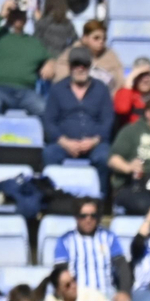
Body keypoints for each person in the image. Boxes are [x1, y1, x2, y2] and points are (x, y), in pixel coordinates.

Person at [43, 48, 115, 194]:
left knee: (104, 157)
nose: (80, 68)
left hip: (95, 143)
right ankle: (54, 197)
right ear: (70, 67)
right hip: (64, 144)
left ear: (89, 66)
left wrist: (94, 141)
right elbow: (49, 121)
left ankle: (99, 199)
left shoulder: (101, 89)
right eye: (76, 64)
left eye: (84, 64)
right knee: (49, 154)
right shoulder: (58, 89)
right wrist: (65, 142)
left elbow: (108, 120)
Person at [0, 0, 55, 117]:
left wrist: (51, 62)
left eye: (21, 14)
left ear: (26, 17)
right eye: (14, 13)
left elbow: (48, 56)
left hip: (25, 92)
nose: (18, 17)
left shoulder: (33, 42)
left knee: (43, 108)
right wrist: (1, 15)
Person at [54, 200, 132, 301]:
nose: (88, 219)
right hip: (78, 296)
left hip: (106, 294)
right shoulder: (65, 241)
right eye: (83, 216)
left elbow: (122, 266)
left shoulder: (109, 237)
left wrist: (124, 292)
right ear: (76, 217)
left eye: (93, 215)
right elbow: (60, 273)